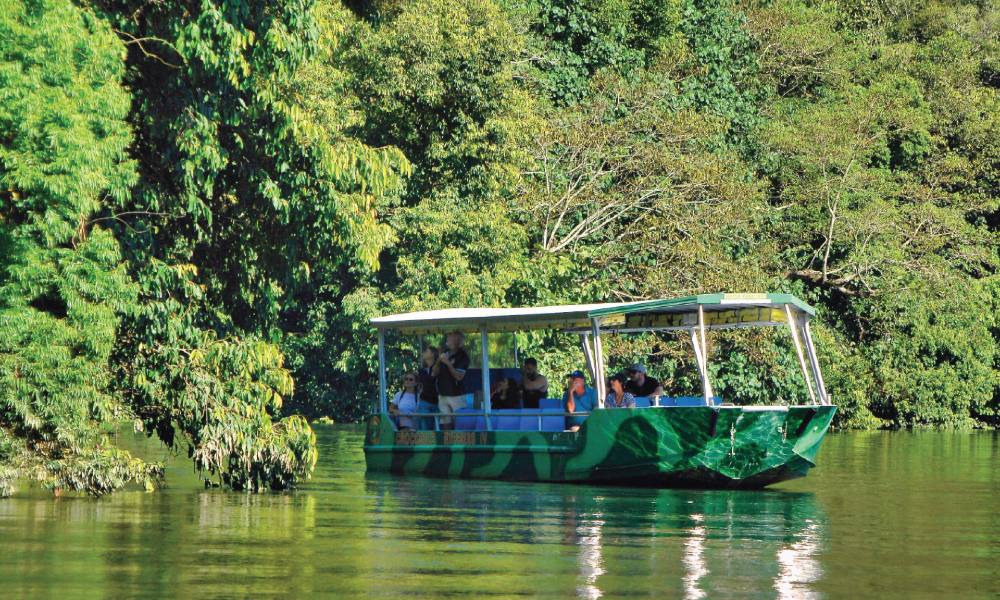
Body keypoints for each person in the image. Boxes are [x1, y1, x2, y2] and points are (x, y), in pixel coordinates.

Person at [433, 331, 470, 430]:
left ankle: (460, 444)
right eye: (447, 338)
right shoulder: (444, 353)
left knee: (459, 422)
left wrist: (448, 363)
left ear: (458, 341)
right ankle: (447, 444)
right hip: (443, 395)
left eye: (450, 338)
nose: (448, 340)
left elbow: (459, 376)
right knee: (445, 422)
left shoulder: (463, 357)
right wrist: (438, 361)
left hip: (457, 395)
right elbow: (434, 373)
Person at [417, 346, 440, 429]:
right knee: (424, 428)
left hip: (438, 402)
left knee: (436, 428)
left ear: (433, 354)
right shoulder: (422, 370)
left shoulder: (439, 368)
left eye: (426, 351)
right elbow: (420, 387)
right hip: (424, 402)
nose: (424, 353)